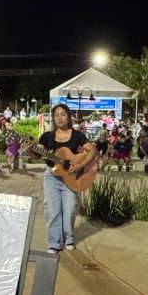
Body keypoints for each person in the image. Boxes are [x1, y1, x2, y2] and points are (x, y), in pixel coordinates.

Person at [30, 103, 96, 253]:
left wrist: (80, 165)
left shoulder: (77, 135)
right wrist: (30, 150)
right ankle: (54, 242)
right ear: (53, 118)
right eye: (56, 115)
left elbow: (92, 151)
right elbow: (37, 155)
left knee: (70, 210)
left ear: (69, 117)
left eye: (63, 114)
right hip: (52, 177)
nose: (60, 118)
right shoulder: (47, 136)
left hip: (72, 177)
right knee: (52, 210)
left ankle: (69, 238)